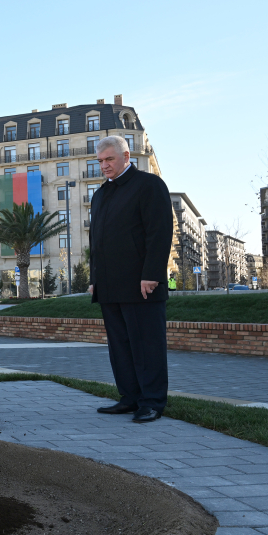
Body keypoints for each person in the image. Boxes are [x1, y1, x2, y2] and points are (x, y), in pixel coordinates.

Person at [88, 136, 173, 424]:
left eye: (109, 159)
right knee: (120, 347)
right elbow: (96, 241)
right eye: (100, 161)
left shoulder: (149, 185)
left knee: (146, 345)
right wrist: (94, 278)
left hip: (141, 284)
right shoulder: (100, 195)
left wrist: (151, 275)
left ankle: (152, 402)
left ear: (126, 156)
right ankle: (130, 398)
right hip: (110, 285)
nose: (104, 166)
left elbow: (159, 233)